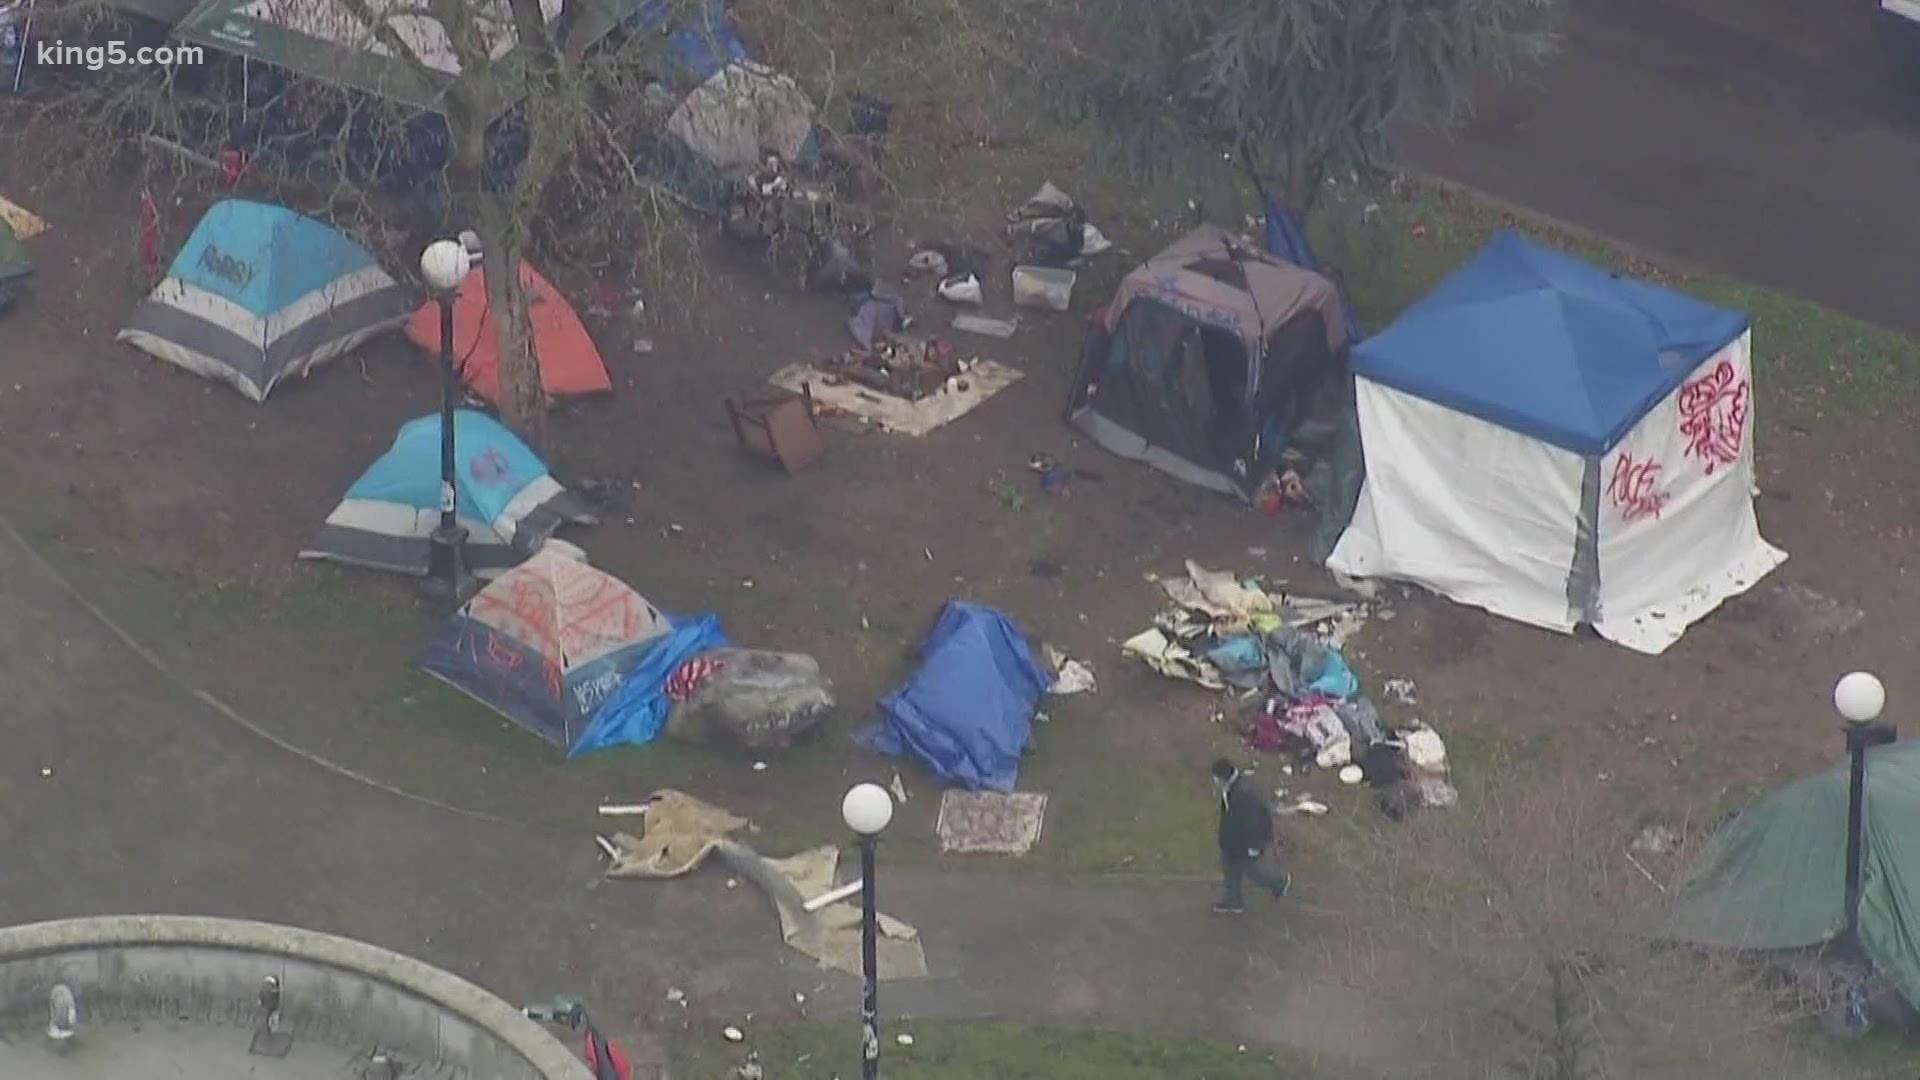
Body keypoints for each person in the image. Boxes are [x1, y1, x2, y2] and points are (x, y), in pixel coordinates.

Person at [1212, 757, 1289, 913]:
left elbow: (1252, 823)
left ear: (1223, 777)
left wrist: (1253, 846)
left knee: (1252, 871)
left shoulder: (1242, 794)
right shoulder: (1234, 787)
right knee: (1230, 867)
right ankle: (1234, 901)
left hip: (1244, 842)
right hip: (1234, 840)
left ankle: (1278, 883)